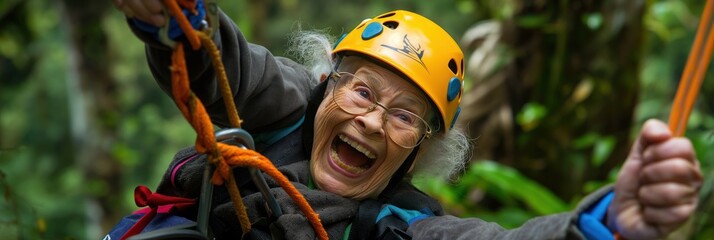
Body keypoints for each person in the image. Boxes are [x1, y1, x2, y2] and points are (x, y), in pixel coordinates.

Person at [109, 0, 703, 239]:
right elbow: (222, 64)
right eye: (364, 93)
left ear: (419, 151)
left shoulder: (402, 225)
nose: (371, 123)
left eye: (404, 117)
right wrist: (176, 17)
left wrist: (602, 225)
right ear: (326, 88)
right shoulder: (285, 105)